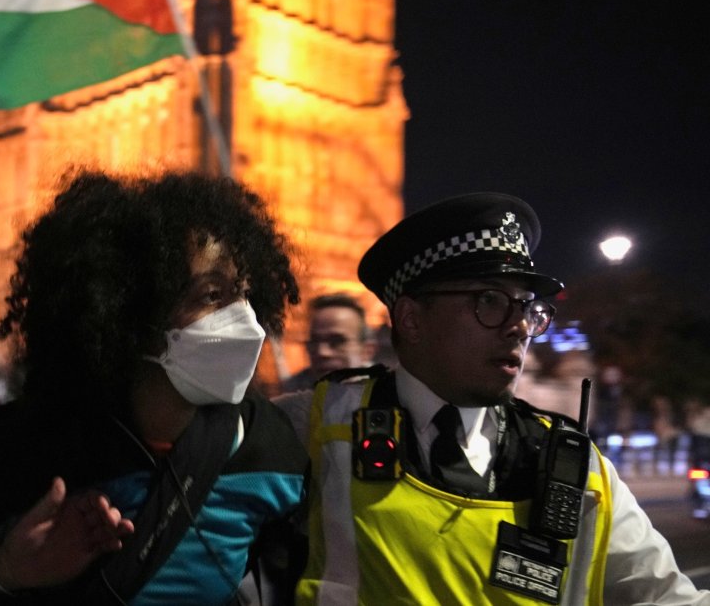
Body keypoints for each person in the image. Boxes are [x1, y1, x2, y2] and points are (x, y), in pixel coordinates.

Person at [292, 192, 709, 604]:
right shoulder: (314, 428)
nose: (519, 328)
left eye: (527, 307)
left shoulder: (580, 470)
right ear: (411, 318)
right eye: (489, 301)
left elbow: (667, 597)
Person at [0, 171, 309, 604]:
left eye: (244, 292)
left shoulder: (272, 448)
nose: (243, 318)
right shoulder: (13, 452)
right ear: (132, 314)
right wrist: (5, 572)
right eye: (212, 295)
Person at [280, 293, 376, 393]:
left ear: (367, 351)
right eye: (314, 341)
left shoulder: (386, 396)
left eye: (337, 341)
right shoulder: (290, 396)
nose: (322, 352)